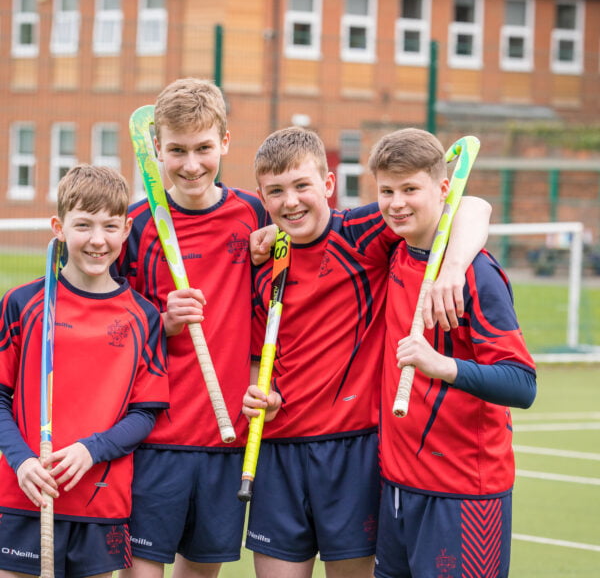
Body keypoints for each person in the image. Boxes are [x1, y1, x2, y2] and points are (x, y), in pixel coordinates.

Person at [242, 126, 491, 578]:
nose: (291, 201)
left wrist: (453, 266)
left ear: (328, 185)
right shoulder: (265, 260)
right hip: (278, 452)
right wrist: (257, 388)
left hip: (353, 450)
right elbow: (259, 355)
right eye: (276, 192)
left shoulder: (361, 231)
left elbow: (471, 204)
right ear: (262, 196)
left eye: (302, 186)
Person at [116, 77, 269, 578]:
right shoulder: (135, 227)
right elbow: (107, 330)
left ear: (225, 142)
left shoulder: (255, 215)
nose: (190, 164)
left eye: (204, 148)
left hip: (225, 436)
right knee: (140, 571)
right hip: (152, 437)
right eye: (176, 150)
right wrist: (160, 323)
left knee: (201, 573)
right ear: (156, 148)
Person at [370, 128, 537, 578]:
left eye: (410, 190)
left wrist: (441, 366)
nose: (396, 203)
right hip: (397, 486)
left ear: (443, 189)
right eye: (387, 191)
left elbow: (522, 384)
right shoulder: (394, 251)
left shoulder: (478, 274)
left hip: (464, 492)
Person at [0, 164, 169, 577]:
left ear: (126, 229)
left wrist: (90, 449)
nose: (98, 240)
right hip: (25, 497)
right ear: (59, 226)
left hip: (101, 501)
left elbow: (145, 412)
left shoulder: (144, 316)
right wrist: (22, 461)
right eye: (83, 225)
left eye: (110, 226)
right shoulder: (23, 304)